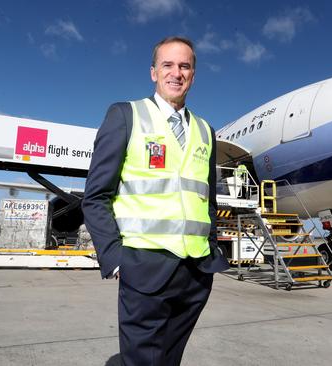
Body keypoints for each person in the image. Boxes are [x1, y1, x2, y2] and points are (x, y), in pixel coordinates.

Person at [82, 36, 229, 366]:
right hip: (143, 267)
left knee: (169, 360)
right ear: (153, 72)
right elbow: (95, 197)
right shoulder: (126, 115)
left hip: (196, 273)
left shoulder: (206, 130)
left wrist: (212, 247)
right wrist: (116, 258)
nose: (176, 73)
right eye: (168, 65)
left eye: (184, 66)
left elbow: (207, 200)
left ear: (193, 74)